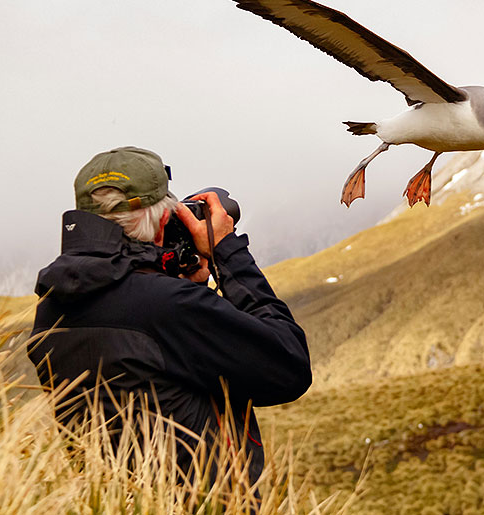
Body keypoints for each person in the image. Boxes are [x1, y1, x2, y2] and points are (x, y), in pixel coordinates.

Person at [28, 146, 311, 485]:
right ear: (165, 220)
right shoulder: (170, 306)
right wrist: (227, 253)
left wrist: (172, 280)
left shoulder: (52, 305)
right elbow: (289, 367)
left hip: (112, 502)